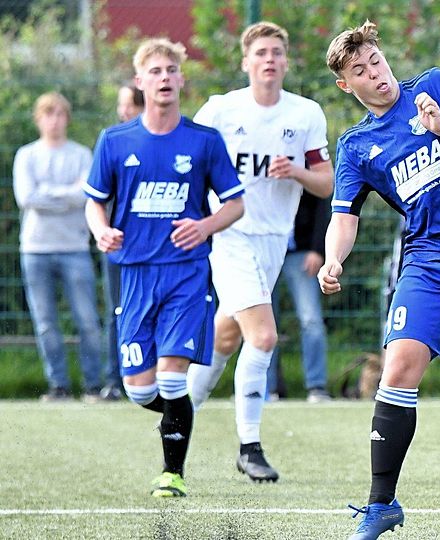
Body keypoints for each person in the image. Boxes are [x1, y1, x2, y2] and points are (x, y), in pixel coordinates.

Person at [323, 20, 440, 540]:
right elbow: (344, 217)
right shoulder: (356, 146)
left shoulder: (434, 87)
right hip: (427, 259)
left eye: (376, 61)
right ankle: (381, 505)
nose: (375, 74)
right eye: (360, 71)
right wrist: (333, 259)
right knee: (398, 368)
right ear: (346, 85)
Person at [84, 38, 245, 498]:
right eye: (155, 71)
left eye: (171, 70)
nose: (165, 78)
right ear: (140, 81)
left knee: (173, 377)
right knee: (139, 389)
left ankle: (172, 474)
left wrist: (205, 225)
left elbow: (235, 204)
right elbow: (95, 202)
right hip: (135, 274)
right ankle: (182, 416)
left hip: (186, 273)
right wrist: (101, 230)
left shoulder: (203, 140)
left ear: (181, 79)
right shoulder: (115, 141)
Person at [184, 21, 334, 483]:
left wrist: (297, 173)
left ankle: (176, 416)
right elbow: (189, 163)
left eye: (276, 52)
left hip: (274, 241)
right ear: (246, 62)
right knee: (264, 336)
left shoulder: (305, 113)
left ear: (286, 62)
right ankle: (249, 447)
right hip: (230, 236)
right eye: (261, 53)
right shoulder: (220, 110)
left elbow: (326, 183)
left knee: (226, 337)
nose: (269, 59)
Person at [13, 91, 104, 403]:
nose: (54, 120)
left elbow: (86, 195)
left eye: (60, 114)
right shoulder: (26, 155)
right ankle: (58, 386)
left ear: (67, 118)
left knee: (87, 321)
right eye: (48, 114)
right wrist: (67, 194)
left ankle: (94, 385)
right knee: (45, 323)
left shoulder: (81, 154)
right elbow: (26, 198)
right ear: (38, 119)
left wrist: (48, 193)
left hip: (75, 247)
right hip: (35, 249)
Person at [100, 82, 146, 402]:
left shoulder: (164, 142)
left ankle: (154, 376)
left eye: (129, 104)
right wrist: (103, 229)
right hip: (119, 246)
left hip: (156, 246)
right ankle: (114, 380)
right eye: (121, 104)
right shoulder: (113, 143)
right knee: (117, 310)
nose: (123, 111)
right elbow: (98, 196)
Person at [268, 191, 332, 403]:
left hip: (302, 252)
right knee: (263, 323)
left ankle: (317, 387)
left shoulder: (308, 170)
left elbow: (323, 204)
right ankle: (264, 388)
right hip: (265, 249)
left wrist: (318, 249)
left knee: (311, 319)